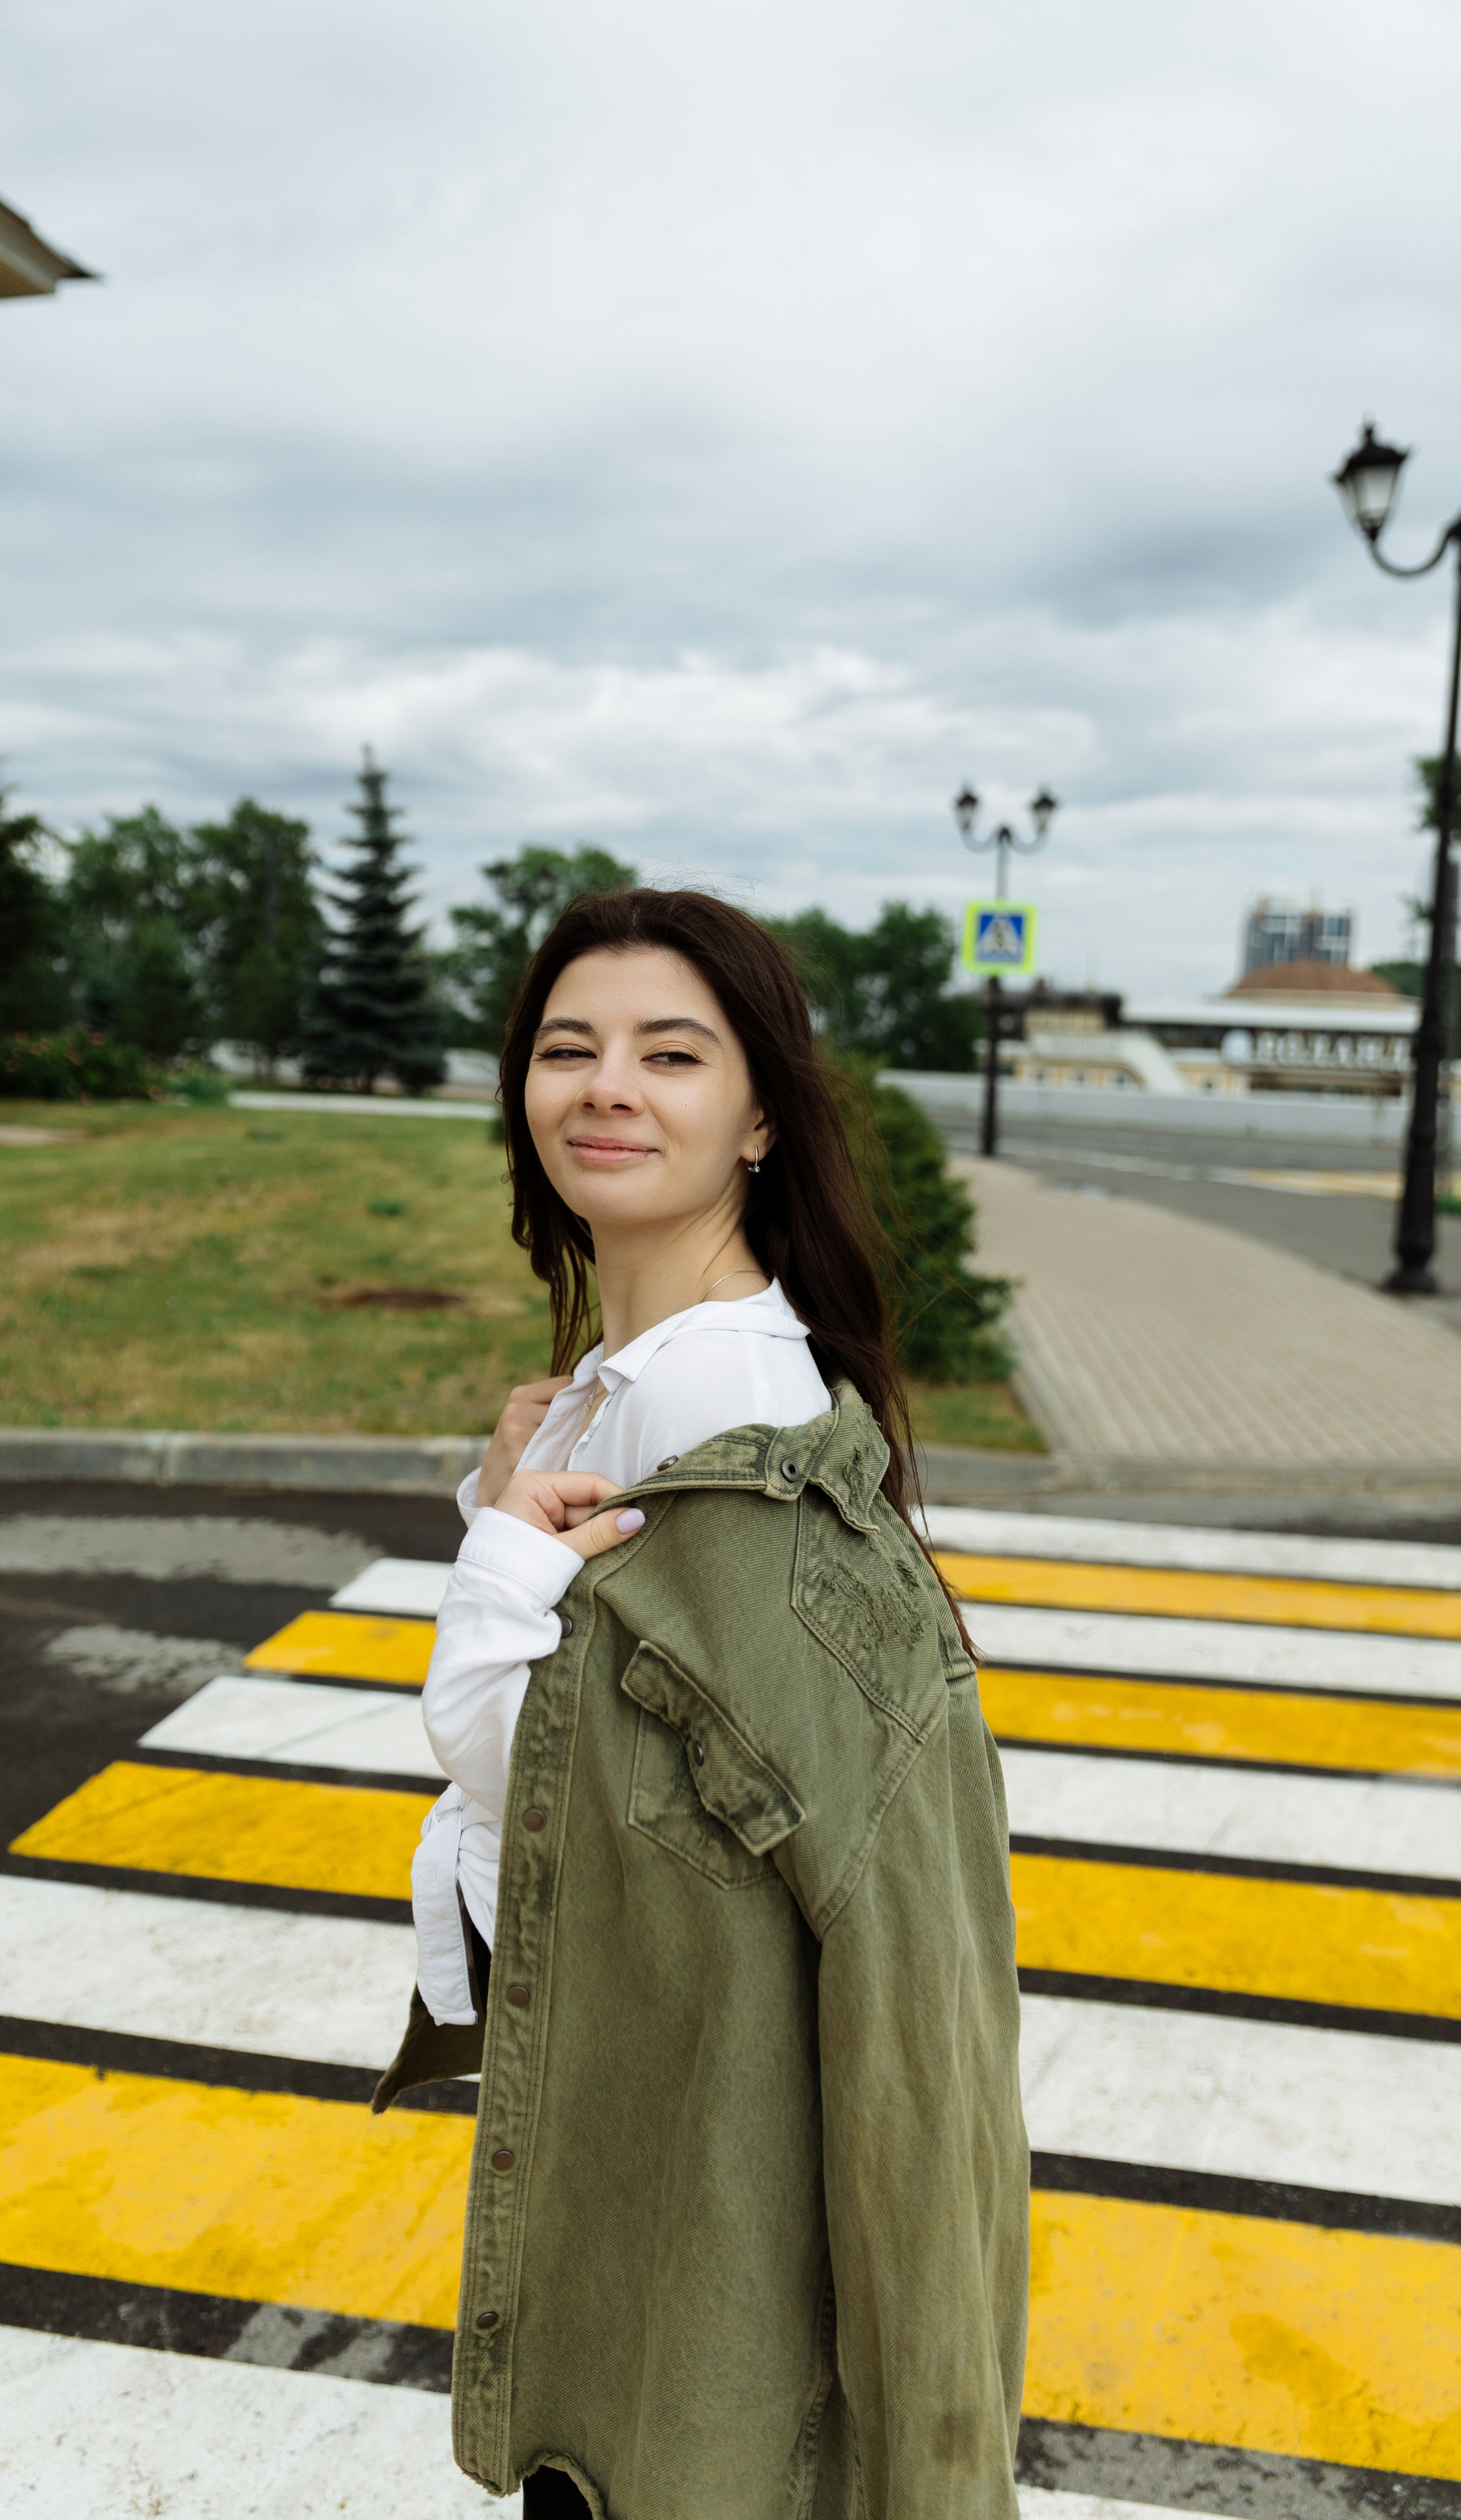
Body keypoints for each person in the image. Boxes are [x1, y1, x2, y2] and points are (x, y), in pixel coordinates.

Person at [374, 889, 1028, 2519]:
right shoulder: (627, 1373)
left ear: (755, 1119)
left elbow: (543, 1794)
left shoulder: (723, 1417)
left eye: (671, 1053)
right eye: (566, 1048)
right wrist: (498, 1501)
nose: (606, 1086)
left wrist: (491, 1572)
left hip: (717, 2314)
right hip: (654, 2201)